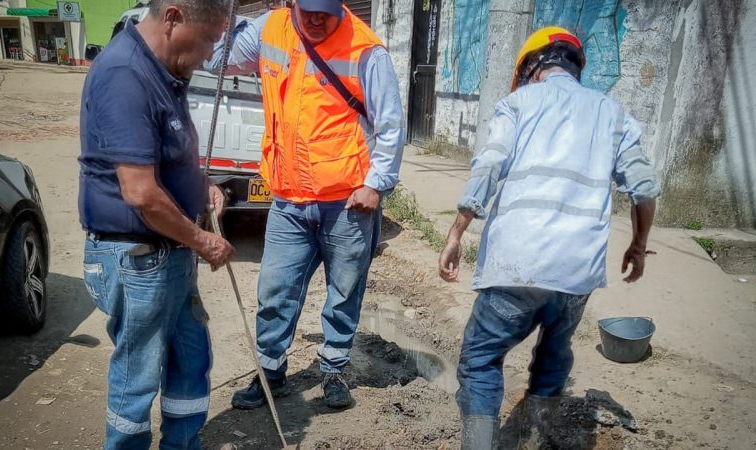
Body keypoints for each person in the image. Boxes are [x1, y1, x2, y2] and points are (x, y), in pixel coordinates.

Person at [438, 27, 661, 449]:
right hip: (577, 271)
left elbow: (490, 165)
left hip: (517, 264)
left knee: (481, 360)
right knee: (554, 354)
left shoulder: (518, 104)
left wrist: (457, 232)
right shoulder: (612, 113)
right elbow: (643, 188)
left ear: (531, 66)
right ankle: (534, 439)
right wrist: (638, 244)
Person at [205, 0, 405, 409]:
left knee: (344, 292)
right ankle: (270, 373)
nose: (315, 20)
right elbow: (215, 61)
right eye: (307, 10)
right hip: (289, 201)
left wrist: (376, 186)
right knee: (275, 292)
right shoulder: (270, 28)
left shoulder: (367, 51)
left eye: (325, 13)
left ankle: (333, 370)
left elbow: (390, 126)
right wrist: (219, 19)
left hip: (349, 204)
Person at [78, 0, 235, 448]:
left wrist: (199, 186)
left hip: (168, 252)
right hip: (139, 258)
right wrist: (204, 240)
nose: (209, 53)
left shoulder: (166, 71)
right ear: (172, 18)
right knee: (138, 378)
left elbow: (167, 155)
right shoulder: (126, 75)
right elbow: (141, 193)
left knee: (190, 359)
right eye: (207, 39)